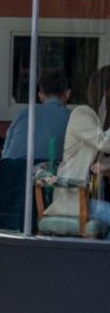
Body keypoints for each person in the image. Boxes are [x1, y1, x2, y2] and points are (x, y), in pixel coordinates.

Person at [44, 64, 110, 232]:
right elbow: (104, 143)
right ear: (106, 92)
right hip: (74, 203)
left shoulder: (98, 122)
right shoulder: (81, 115)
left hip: (92, 200)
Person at [2, 70, 71, 163]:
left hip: (13, 174)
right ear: (67, 94)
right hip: (51, 174)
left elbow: (5, 154)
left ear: (41, 96)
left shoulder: (24, 115)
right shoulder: (72, 119)